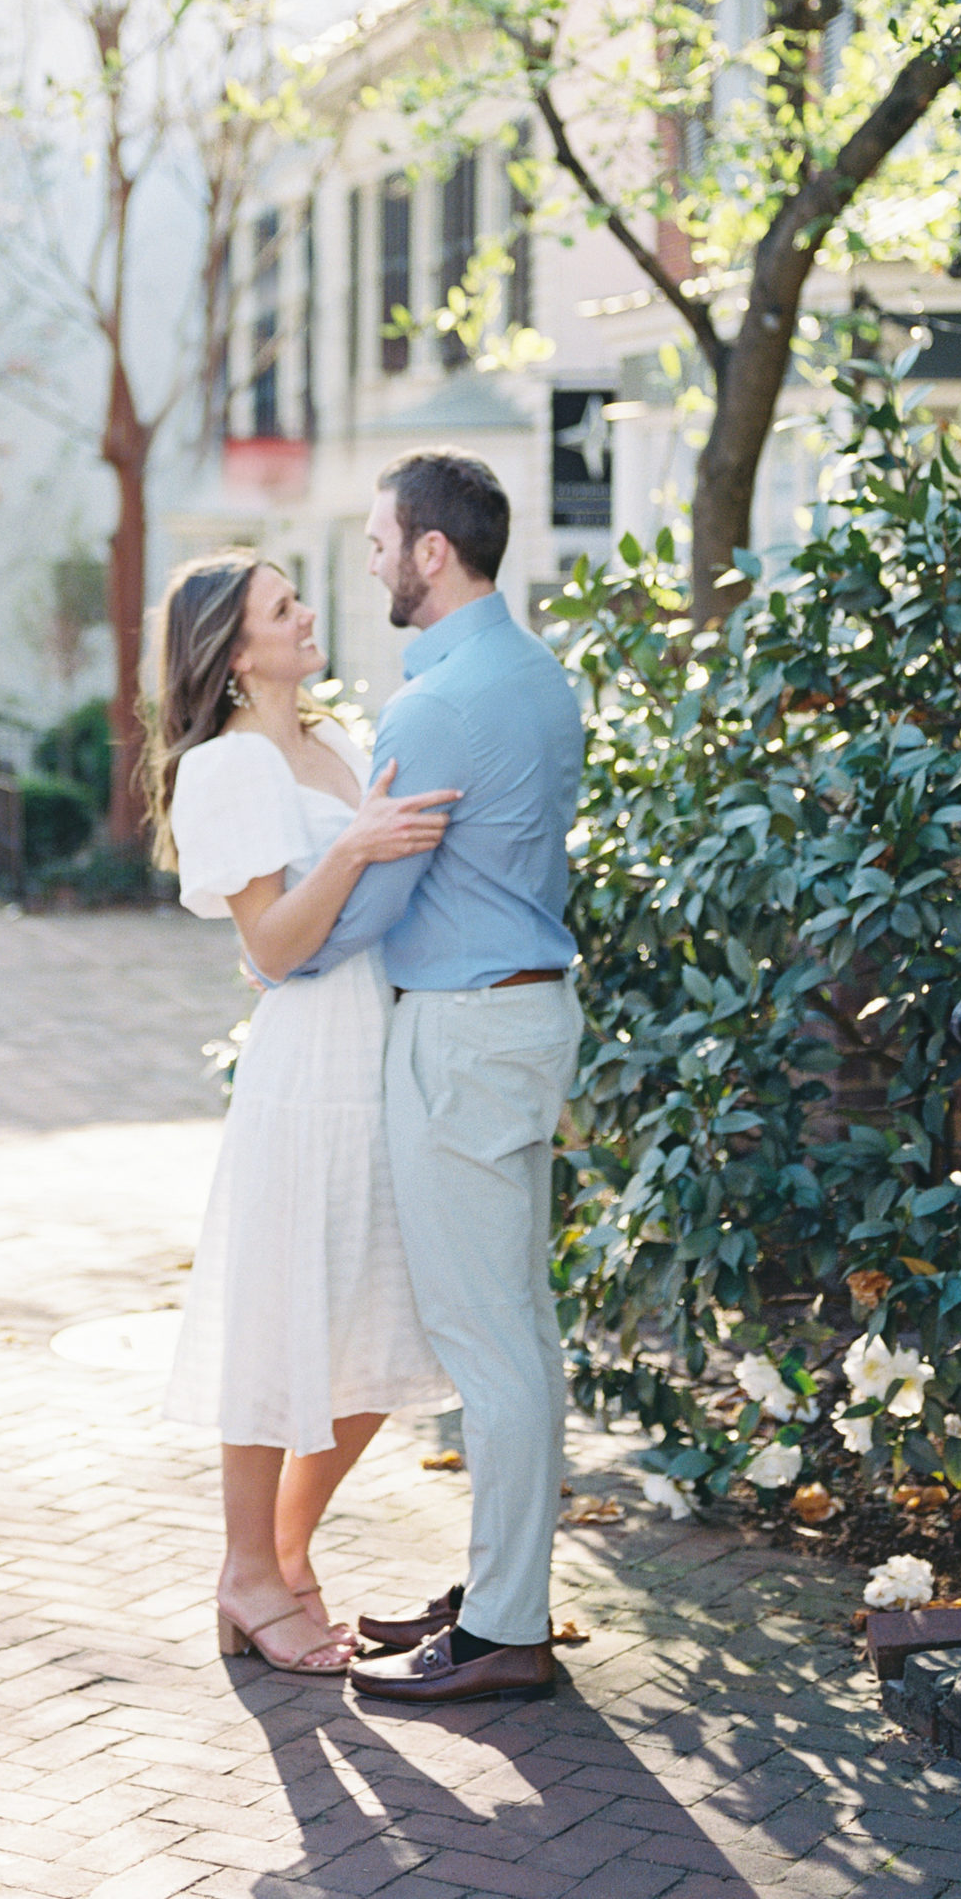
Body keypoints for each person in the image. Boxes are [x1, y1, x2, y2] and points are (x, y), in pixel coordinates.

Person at [292, 449, 585, 1709]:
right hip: (524, 1021)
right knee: (521, 1322)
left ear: (431, 551)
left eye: (377, 539)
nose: (367, 560)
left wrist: (281, 951)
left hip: (463, 1033)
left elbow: (381, 896)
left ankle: (505, 1630)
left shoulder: (435, 707)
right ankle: (500, 1589)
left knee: (487, 1339)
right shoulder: (538, 677)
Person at [150, 550, 458, 1679]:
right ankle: (246, 1567)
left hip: (383, 1052)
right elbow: (270, 946)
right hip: (306, 1067)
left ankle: (279, 1551)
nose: (309, 612)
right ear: (236, 652)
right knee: (280, 1325)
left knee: (386, 1322)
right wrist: (361, 848)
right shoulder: (227, 768)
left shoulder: (334, 740)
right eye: (284, 608)